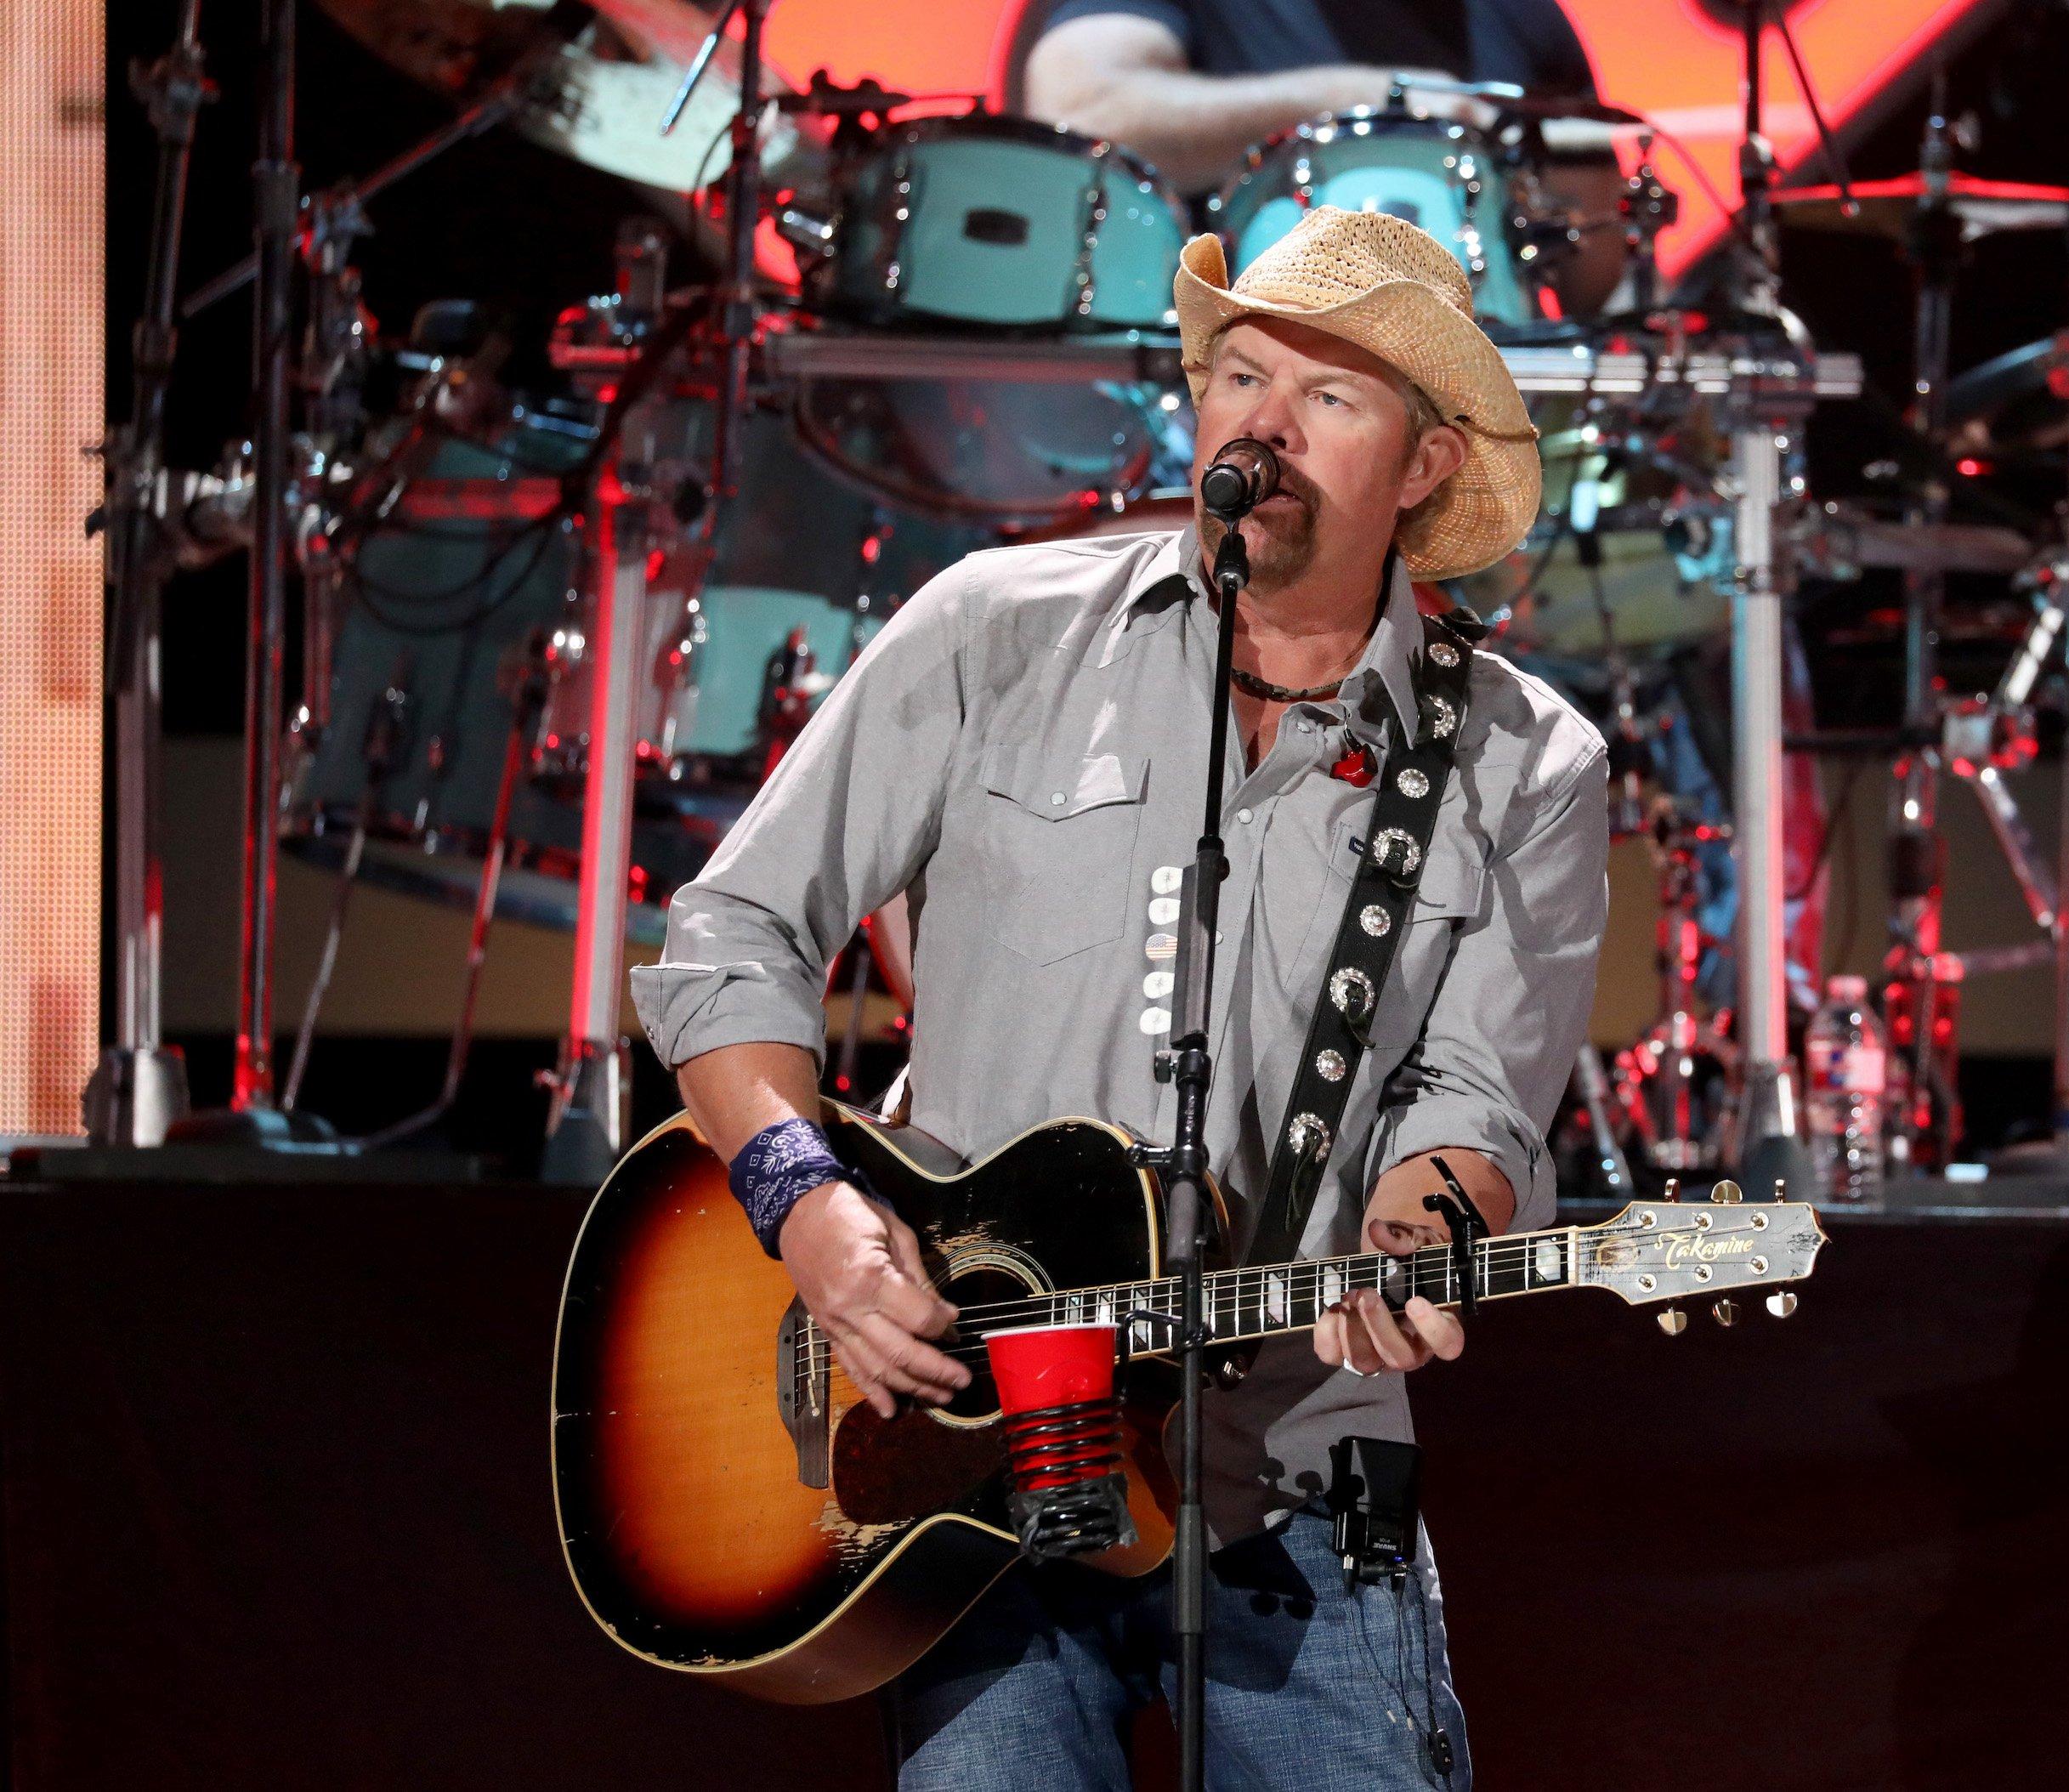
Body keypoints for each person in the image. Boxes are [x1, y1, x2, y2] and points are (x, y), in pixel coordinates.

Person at [632, 206, 1610, 1789]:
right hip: (975, 1474)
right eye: (1238, 373)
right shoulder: (989, 633)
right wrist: (805, 1199)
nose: (1262, 425)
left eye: (1330, 396)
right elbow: (734, 927)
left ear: (1424, 466)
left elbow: (1472, 1101)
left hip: (1293, 1481)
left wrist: (1426, 1225)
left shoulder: (1524, 760)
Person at [1017, 0, 1602, 195]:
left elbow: (1592, 275)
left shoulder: (1528, 16)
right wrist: (1367, 99)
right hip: (1217, 393)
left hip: (1478, 407)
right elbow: (1078, 113)